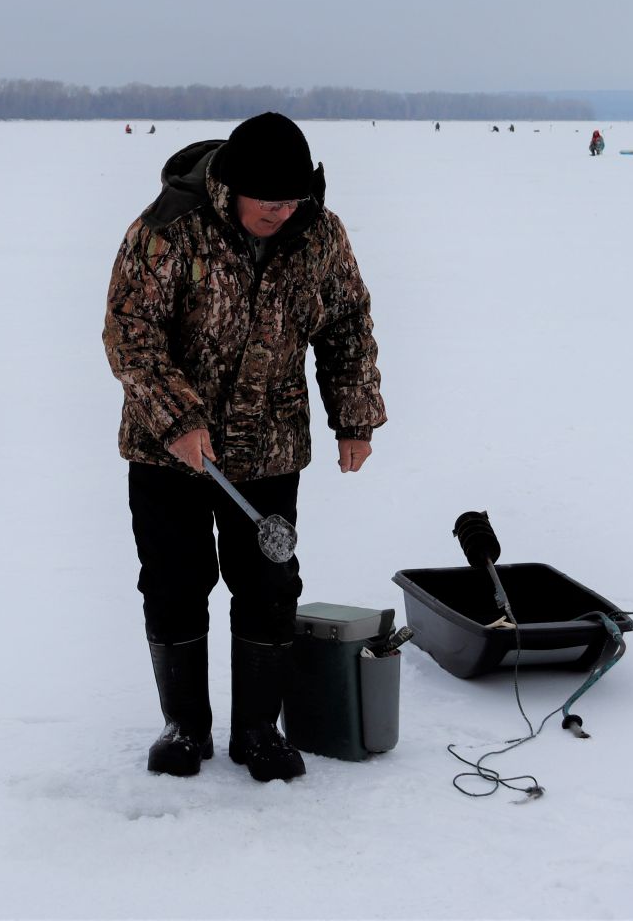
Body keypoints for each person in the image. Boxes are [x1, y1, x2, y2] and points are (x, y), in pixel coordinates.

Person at [103, 113, 386, 784]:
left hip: (270, 445)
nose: (283, 214)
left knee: (268, 583)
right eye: (271, 203)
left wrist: (355, 418)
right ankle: (185, 728)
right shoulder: (168, 229)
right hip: (166, 452)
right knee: (174, 582)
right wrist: (177, 418)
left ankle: (258, 729)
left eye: (294, 201)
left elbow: (346, 325)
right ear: (232, 189)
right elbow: (130, 334)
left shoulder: (319, 234)